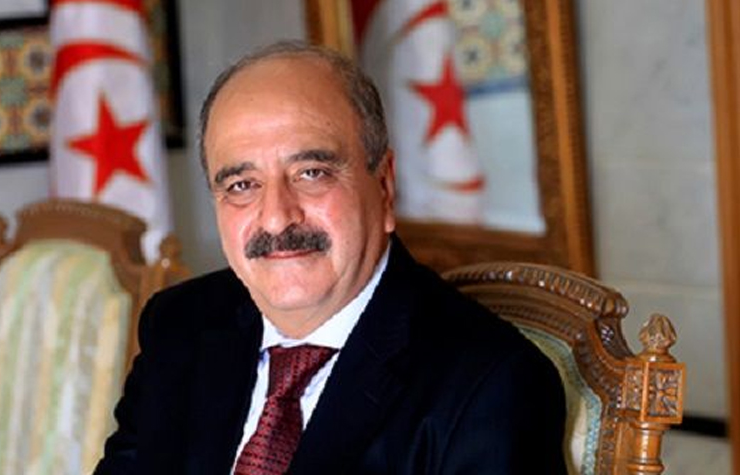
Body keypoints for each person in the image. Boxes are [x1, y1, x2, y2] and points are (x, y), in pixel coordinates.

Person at [95, 40, 566, 475]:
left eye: (311, 172)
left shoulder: (491, 384)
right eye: (242, 185)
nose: (276, 218)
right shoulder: (179, 325)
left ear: (384, 187)